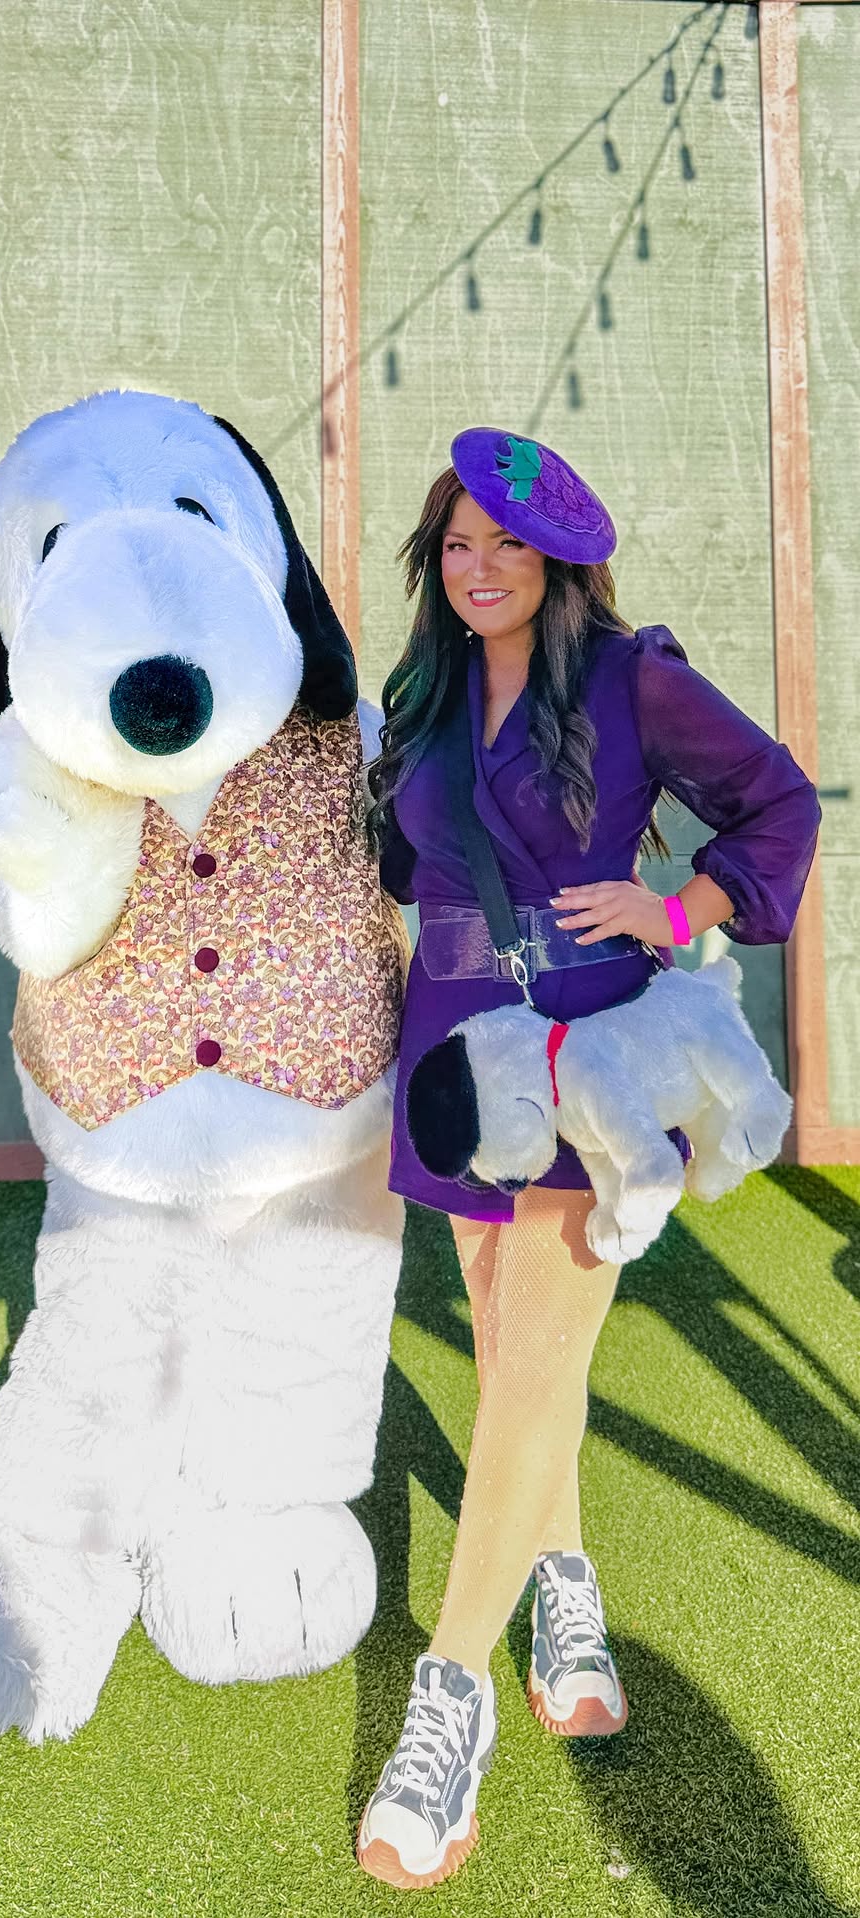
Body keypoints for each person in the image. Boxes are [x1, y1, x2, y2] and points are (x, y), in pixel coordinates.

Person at [355, 427, 821, 1892]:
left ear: (558, 559)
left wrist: (678, 912)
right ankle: (562, 1583)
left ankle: (451, 1695)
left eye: (504, 542)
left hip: (580, 1059)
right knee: (513, 1360)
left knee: (538, 1362)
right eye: (456, 543)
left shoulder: (631, 679)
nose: (477, 567)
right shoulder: (422, 693)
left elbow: (780, 801)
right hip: (454, 1055)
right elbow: (399, 866)